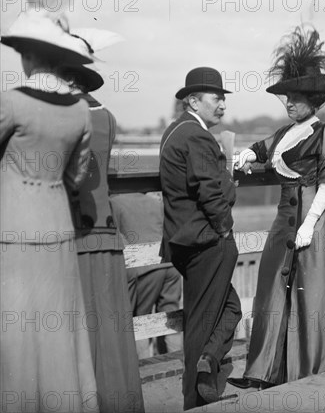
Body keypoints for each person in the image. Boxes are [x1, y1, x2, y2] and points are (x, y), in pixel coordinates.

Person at [228, 26, 325, 389]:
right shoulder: (285, 133)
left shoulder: (324, 132)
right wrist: (244, 156)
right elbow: (260, 149)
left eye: (295, 98)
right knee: (271, 289)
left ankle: (308, 367)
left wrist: (309, 225)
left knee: (310, 293)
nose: (289, 103)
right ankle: (263, 371)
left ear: (312, 101)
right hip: (284, 220)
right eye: (287, 98)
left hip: (312, 221)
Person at [0, 10, 98, 412]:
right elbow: (76, 177)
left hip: (14, 227)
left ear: (27, 56)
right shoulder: (79, 110)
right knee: (60, 329)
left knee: (17, 331)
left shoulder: (11, 103)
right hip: (57, 227)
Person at [59, 30, 145, 412]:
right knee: (113, 332)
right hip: (107, 235)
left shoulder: (63, 117)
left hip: (74, 235)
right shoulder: (105, 117)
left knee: (78, 330)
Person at [159, 67, 241, 409]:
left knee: (224, 309)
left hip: (182, 241)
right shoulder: (198, 136)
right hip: (207, 241)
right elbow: (211, 193)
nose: (222, 104)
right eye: (216, 98)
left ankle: (207, 364)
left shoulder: (173, 131)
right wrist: (225, 228)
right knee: (205, 321)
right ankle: (195, 398)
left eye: (223, 97)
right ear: (193, 100)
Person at [110, 192, 183, 358]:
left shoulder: (114, 202)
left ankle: (143, 370)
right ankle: (176, 362)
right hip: (169, 264)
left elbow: (117, 238)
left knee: (139, 320)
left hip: (144, 268)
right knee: (171, 317)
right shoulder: (155, 202)